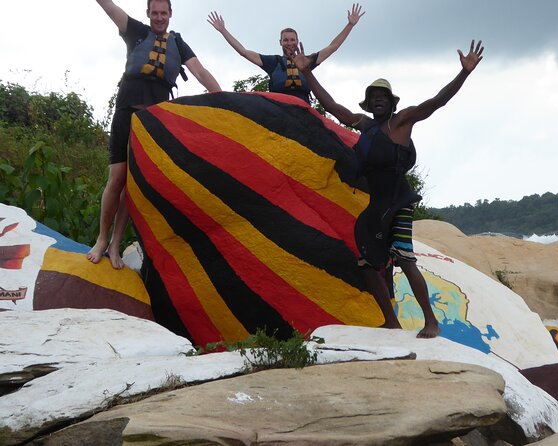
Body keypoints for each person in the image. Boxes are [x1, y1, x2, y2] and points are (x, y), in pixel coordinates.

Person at [293, 40, 484, 338]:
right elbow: (330, 105)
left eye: (383, 96)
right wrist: (307, 73)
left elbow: (437, 102)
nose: (379, 100)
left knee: (405, 257)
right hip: (378, 205)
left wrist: (464, 74)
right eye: (374, 97)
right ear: (369, 105)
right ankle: (392, 322)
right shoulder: (364, 125)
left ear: (391, 102)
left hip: (400, 202)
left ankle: (431, 322)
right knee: (367, 264)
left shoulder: (403, 121)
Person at [90, 0, 222, 269]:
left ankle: (116, 244)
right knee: (116, 178)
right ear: (148, 14)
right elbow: (109, 8)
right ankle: (102, 239)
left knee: (132, 184)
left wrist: (223, 98)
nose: (159, 17)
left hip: (152, 122)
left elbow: (199, 71)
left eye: (164, 13)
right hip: (126, 112)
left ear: (171, 14)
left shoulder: (178, 44)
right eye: (155, 13)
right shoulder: (136, 31)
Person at [207, 4, 364, 103]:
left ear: (297, 41)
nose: (289, 43)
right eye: (286, 40)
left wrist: (350, 24)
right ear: (280, 42)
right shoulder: (273, 62)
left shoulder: (309, 60)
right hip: (279, 109)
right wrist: (223, 31)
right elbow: (243, 51)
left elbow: (333, 46)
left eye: (292, 40)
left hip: (303, 109)